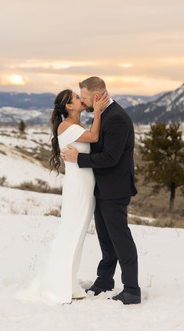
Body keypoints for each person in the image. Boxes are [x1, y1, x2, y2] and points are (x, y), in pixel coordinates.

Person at [15, 88, 110, 305]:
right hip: (78, 187)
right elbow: (94, 137)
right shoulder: (66, 126)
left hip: (85, 186)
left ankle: (69, 282)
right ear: (68, 106)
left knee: (77, 235)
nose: (80, 99)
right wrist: (97, 111)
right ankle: (56, 285)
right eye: (77, 98)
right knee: (70, 233)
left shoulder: (75, 126)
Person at [61, 76, 141, 305]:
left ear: (96, 96)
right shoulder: (104, 114)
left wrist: (78, 158)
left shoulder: (116, 118)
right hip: (103, 188)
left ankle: (132, 290)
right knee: (106, 240)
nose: (83, 102)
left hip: (115, 189)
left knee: (120, 239)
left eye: (84, 97)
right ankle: (104, 281)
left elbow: (111, 158)